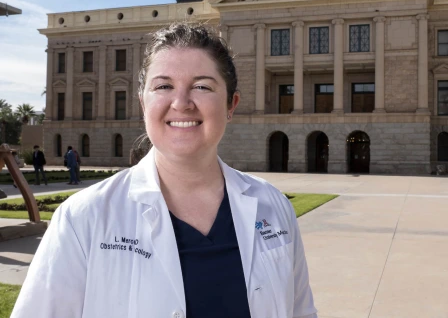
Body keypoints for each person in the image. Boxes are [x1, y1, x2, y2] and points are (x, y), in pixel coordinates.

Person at [12, 23, 318, 318]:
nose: (181, 103)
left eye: (202, 86)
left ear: (231, 104)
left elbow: (301, 312)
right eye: (163, 86)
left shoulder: (274, 207)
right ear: (143, 103)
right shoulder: (83, 218)